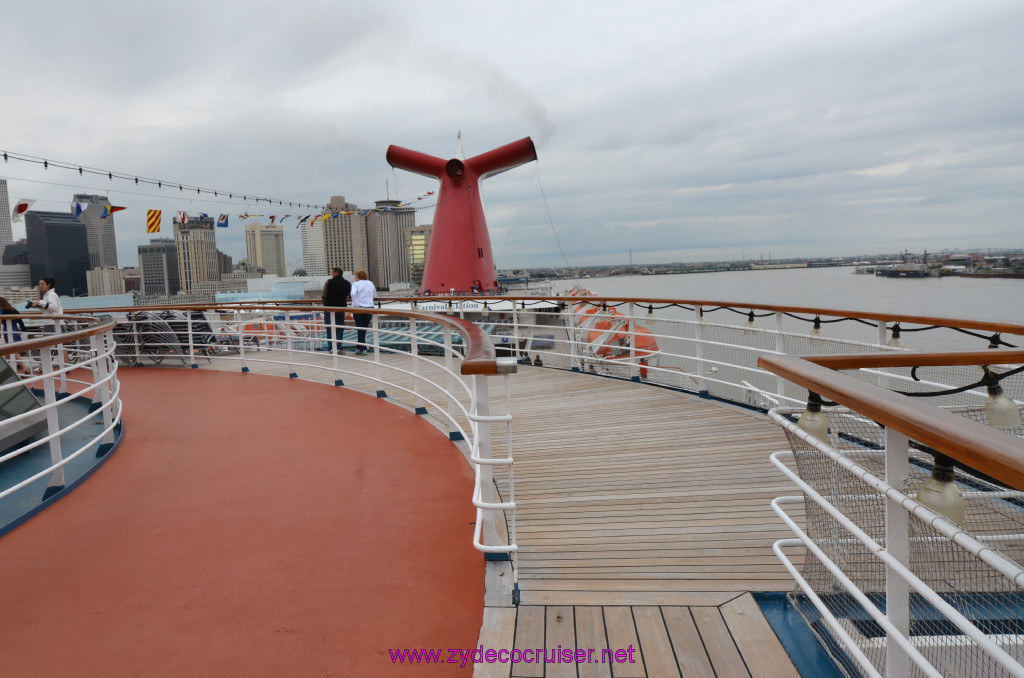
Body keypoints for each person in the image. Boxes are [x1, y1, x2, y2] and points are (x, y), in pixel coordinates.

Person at [321, 267, 351, 352]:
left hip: (329, 308)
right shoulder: (347, 283)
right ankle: (338, 347)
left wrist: (325, 304)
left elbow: (324, 295)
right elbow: (349, 295)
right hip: (340, 308)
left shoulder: (329, 282)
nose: (331, 274)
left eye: (332, 272)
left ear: (336, 273)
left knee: (330, 328)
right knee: (339, 328)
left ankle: (331, 348)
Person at [350, 270, 376, 355]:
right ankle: (359, 347)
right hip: (369, 308)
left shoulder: (356, 284)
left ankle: (362, 348)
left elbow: (353, 294)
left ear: (358, 277)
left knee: (360, 328)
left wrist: (356, 304)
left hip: (359, 308)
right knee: (363, 329)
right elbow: (375, 295)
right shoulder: (370, 283)